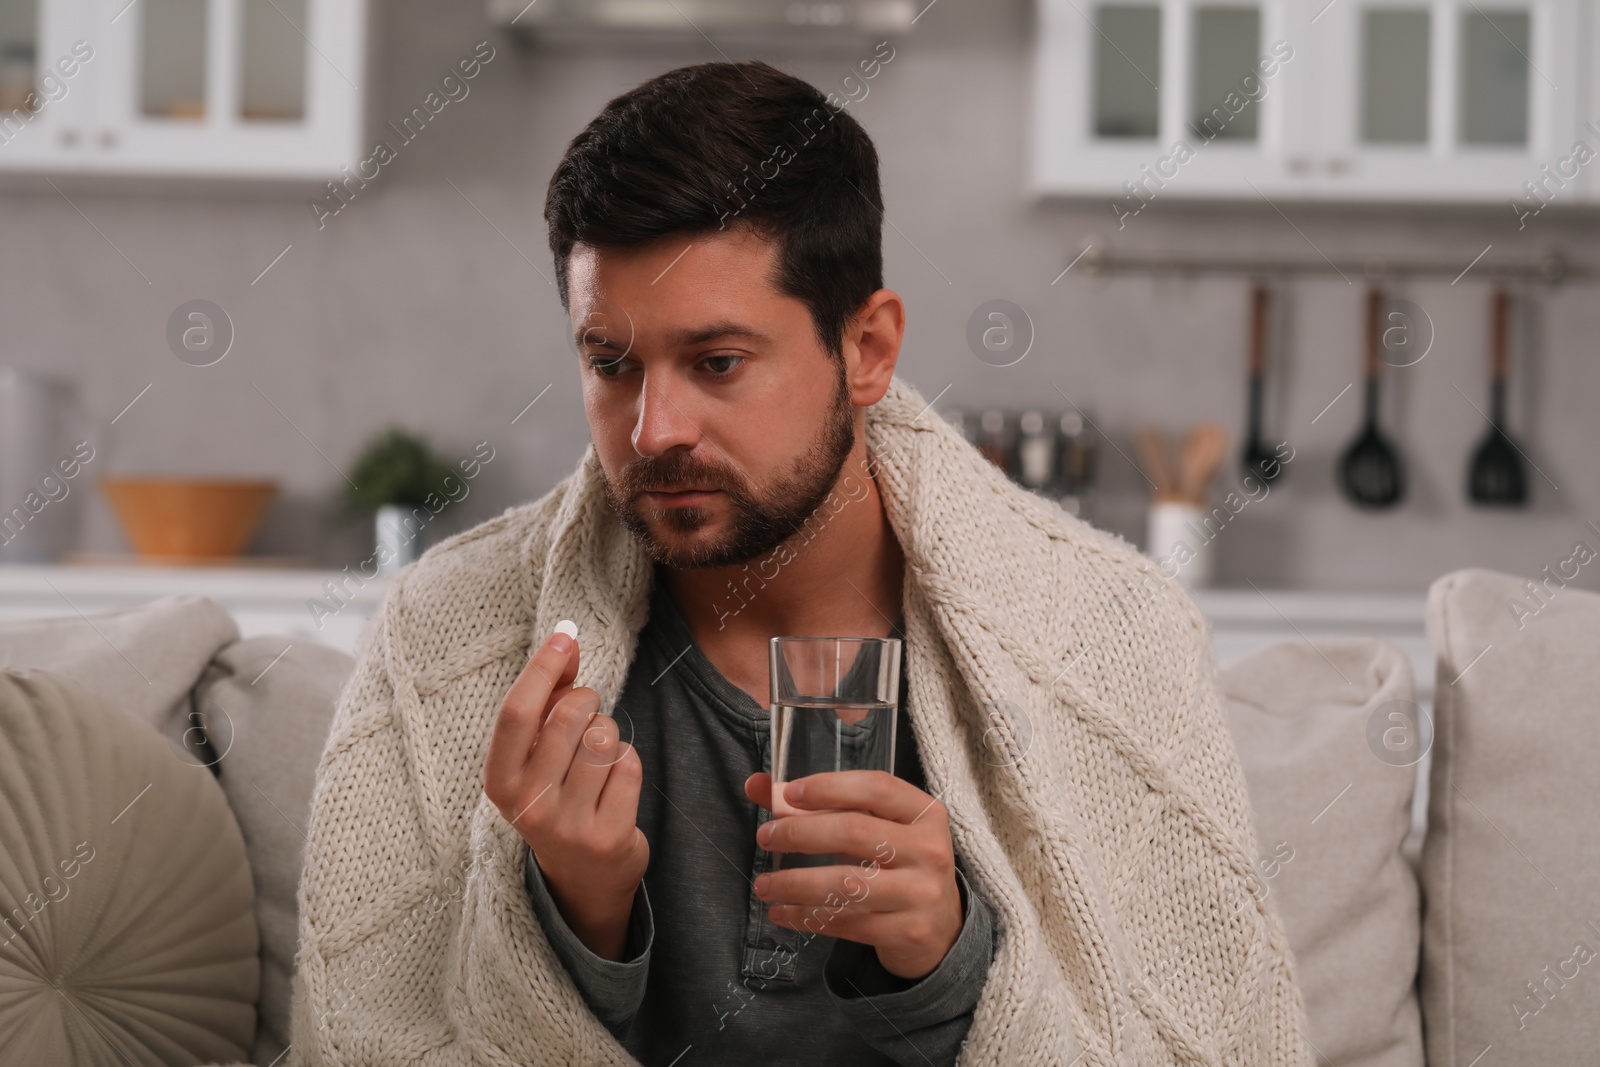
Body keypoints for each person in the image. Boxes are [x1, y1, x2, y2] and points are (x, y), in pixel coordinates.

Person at [288, 60, 1313, 1067]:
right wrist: (577, 907)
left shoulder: (1116, 629)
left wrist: (943, 959)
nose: (653, 429)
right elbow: (372, 1035)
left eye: (717, 362)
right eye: (611, 363)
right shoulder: (446, 633)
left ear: (866, 349)